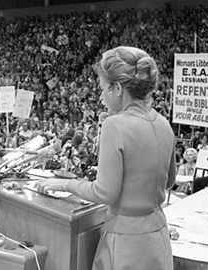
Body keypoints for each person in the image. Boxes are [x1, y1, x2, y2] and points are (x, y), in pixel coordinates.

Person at [36, 46, 175, 270]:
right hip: (158, 236)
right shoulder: (163, 123)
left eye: (102, 89)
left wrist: (63, 184)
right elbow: (168, 181)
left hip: (126, 240)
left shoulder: (114, 125)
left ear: (117, 88)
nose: (100, 97)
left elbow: (104, 192)